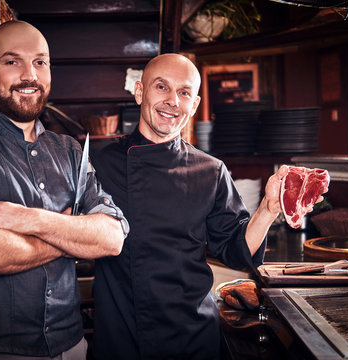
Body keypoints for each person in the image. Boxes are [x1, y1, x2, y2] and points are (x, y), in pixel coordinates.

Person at [0, 20, 128, 359]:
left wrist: (28, 219)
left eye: (39, 61)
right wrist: (70, 238)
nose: (29, 74)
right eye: (12, 61)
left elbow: (112, 237)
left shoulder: (70, 151)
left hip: (72, 346)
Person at [89, 53, 290, 360]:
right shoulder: (100, 163)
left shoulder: (210, 170)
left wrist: (268, 208)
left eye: (183, 93)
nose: (172, 101)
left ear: (193, 105)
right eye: (161, 87)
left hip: (192, 336)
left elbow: (236, 251)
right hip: (122, 335)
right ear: (140, 92)